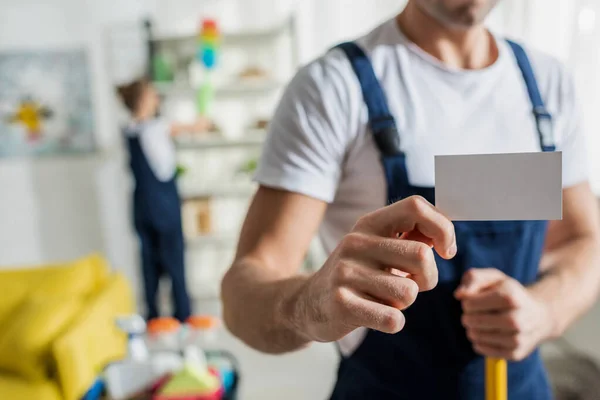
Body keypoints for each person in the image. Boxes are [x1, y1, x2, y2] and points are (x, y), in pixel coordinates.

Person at [221, 1, 600, 399]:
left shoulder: (548, 83)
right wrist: (309, 304)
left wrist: (545, 310)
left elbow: (585, 241)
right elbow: (243, 291)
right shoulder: (334, 87)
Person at [117, 78, 211, 322]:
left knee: (149, 262)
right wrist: (204, 106)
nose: (157, 99)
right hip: (163, 204)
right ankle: (182, 315)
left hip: (140, 205)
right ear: (144, 100)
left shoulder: (129, 130)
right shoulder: (157, 127)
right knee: (174, 258)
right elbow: (196, 127)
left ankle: (153, 316)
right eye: (153, 95)